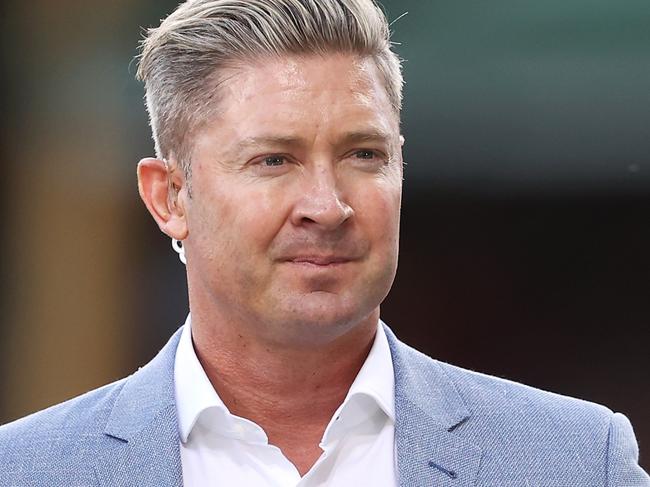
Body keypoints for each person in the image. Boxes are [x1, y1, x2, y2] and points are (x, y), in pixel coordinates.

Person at [1, 0, 648, 485]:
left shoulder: (577, 461)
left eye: (363, 154)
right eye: (274, 160)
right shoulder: (29, 470)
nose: (327, 206)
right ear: (170, 196)